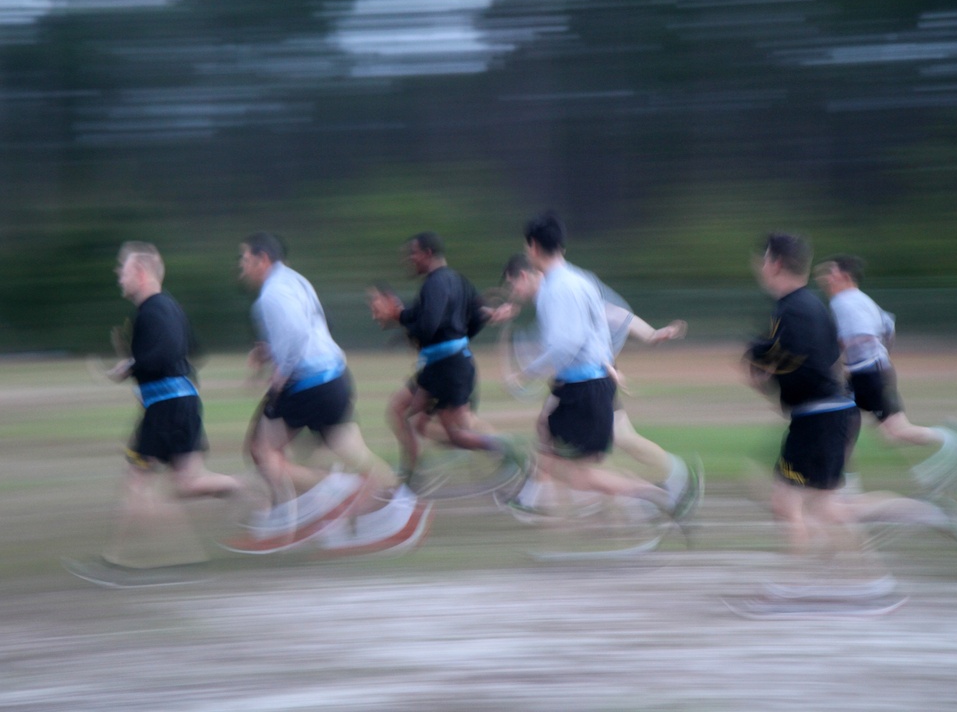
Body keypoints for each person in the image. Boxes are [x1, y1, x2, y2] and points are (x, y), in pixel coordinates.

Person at [744, 234, 957, 600]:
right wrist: (765, 364)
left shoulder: (793, 310)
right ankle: (891, 554)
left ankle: (800, 585)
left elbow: (796, 362)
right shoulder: (809, 307)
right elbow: (817, 359)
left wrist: (763, 368)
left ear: (774, 264)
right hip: (825, 416)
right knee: (828, 506)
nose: (758, 267)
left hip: (819, 419)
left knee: (792, 502)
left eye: (761, 260)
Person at [64, 242, 242, 586]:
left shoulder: (152, 311)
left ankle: (125, 563)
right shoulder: (170, 307)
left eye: (123, 268)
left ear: (142, 272)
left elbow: (164, 355)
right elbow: (194, 352)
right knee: (188, 483)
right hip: (180, 404)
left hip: (166, 408)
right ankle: (244, 490)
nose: (119, 274)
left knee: (138, 483)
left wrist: (131, 365)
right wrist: (138, 363)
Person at [507, 212, 699, 522]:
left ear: (532, 247)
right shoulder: (581, 279)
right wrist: (609, 364)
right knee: (547, 430)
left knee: (580, 474)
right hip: (588, 384)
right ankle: (535, 499)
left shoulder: (556, 290)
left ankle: (658, 496)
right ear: (561, 246)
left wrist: (528, 370)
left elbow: (565, 346)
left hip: (582, 389)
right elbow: (598, 325)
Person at [230, 232, 400, 551]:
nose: (241, 266)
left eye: (245, 259)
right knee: (350, 451)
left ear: (263, 259)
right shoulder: (296, 281)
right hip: (335, 380)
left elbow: (295, 334)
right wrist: (270, 351)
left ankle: (303, 509)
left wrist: (280, 375)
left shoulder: (270, 295)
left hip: (306, 384)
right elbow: (318, 326)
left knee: (261, 450)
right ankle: (401, 503)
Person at [813, 255, 957, 495]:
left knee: (894, 432)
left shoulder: (844, 302)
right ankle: (844, 486)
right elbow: (888, 327)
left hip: (868, 375)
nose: (825, 278)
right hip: (870, 372)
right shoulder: (861, 299)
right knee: (843, 425)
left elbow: (864, 334)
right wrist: (880, 356)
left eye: (831, 273)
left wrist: (837, 353)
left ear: (845, 277)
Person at [369, 232, 520, 489]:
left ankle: (506, 450)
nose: (410, 259)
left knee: (455, 434)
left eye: (413, 253)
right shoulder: (457, 281)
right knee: (402, 413)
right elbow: (474, 319)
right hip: (443, 364)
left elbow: (427, 326)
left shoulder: (435, 284)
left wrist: (399, 315)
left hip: (448, 369)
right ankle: (412, 475)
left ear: (427, 254)